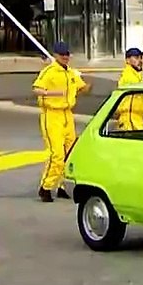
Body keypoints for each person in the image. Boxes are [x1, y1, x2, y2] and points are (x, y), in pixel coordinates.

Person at [32, 41, 89, 202]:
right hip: (52, 115)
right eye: (62, 55)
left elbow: (83, 88)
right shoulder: (49, 72)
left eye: (67, 55)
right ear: (56, 55)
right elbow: (36, 88)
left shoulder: (70, 73)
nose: (65, 57)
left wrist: (82, 79)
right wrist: (52, 93)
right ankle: (46, 187)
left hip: (67, 115)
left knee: (70, 153)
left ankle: (63, 186)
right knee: (56, 154)